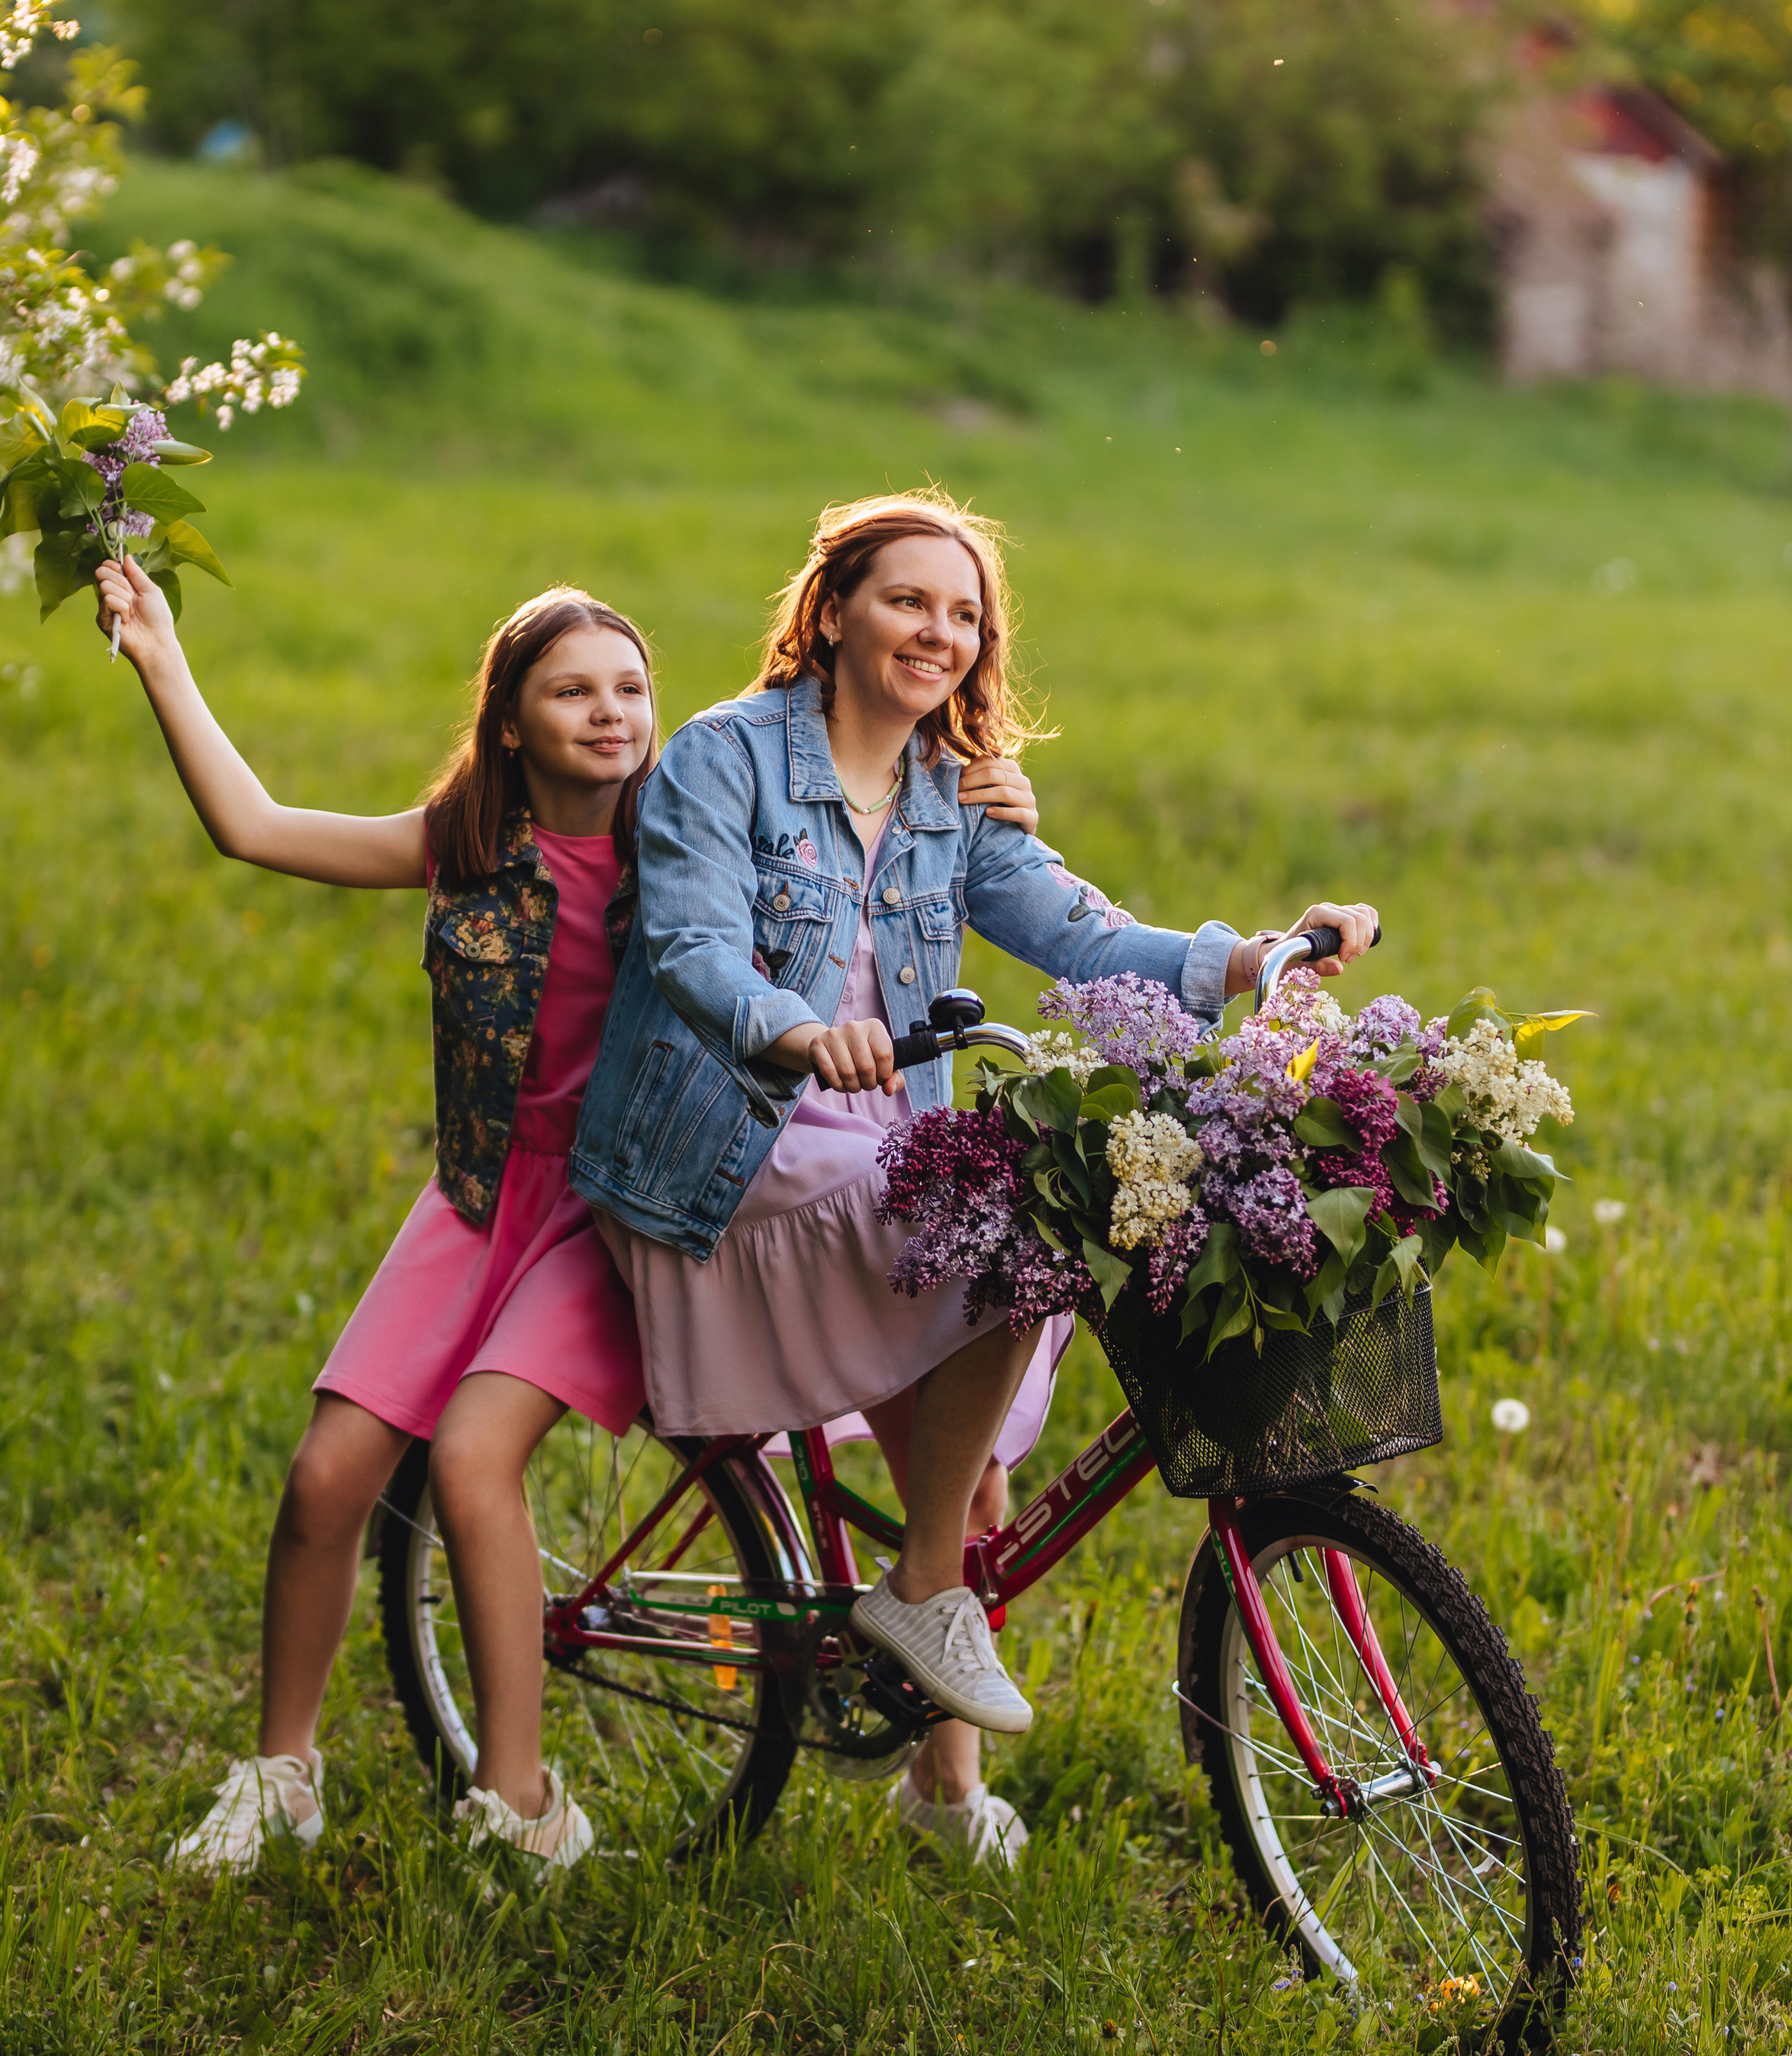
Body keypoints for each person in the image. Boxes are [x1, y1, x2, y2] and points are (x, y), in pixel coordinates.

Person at [88, 551, 1041, 1877]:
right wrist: (159, 655)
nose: (610, 713)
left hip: (635, 1190)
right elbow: (253, 827)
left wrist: (980, 798)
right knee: (325, 1480)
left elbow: (860, 827)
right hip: (489, 1192)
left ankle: (894, 1783)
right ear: (508, 719)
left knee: (936, 1435)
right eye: (572, 691)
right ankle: (283, 1770)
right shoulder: (468, 847)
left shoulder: (702, 819)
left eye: (631, 687)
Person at [571, 491, 1377, 1865]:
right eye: (907, 601)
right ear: (831, 614)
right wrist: (799, 1024)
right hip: (729, 1148)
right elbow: (696, 949)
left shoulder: (951, 796)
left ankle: (942, 1785)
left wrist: (1260, 957)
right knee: (1012, 1243)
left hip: (871, 1145)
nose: (936, 632)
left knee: (980, 1417)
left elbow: (1081, 933)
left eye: (964, 614)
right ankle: (924, 1592)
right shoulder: (724, 759)